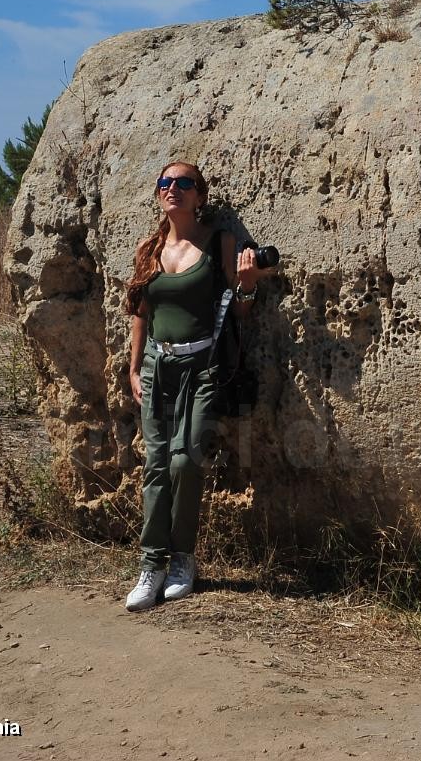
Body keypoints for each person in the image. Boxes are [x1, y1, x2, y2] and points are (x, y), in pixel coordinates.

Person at [121, 160, 267, 612]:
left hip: (202, 367)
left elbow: (239, 312)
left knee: (186, 462)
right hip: (156, 368)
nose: (174, 189)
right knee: (156, 465)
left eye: (184, 183)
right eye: (166, 183)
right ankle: (152, 565)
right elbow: (140, 314)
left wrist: (245, 285)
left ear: (200, 195)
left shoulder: (218, 242)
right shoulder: (149, 248)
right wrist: (133, 368)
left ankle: (183, 558)